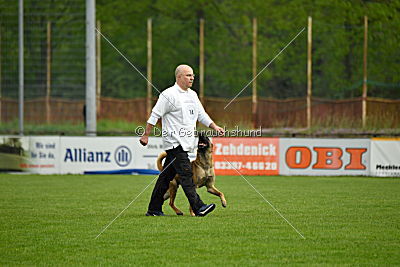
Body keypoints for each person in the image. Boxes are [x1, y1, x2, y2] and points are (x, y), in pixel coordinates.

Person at [140, 64, 224, 216]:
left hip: (186, 144)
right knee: (186, 176)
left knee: (165, 178)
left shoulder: (192, 95)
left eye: (192, 75)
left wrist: (214, 126)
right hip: (174, 143)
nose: (192, 78)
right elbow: (154, 115)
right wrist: (146, 134)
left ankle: (153, 209)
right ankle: (199, 207)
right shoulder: (169, 94)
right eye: (188, 75)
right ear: (178, 77)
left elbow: (201, 114)